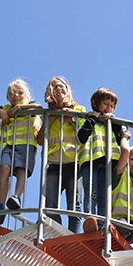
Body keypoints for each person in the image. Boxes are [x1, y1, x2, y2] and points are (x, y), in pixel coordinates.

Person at [0, 78, 42, 224]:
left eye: (20, 93)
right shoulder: (5, 107)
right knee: (4, 168)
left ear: (26, 95)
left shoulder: (29, 105)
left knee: (21, 170)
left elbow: (38, 107)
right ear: (8, 96)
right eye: (12, 93)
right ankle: (0, 206)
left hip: (26, 144)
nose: (16, 96)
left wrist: (19, 109)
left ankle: (16, 197)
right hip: (8, 145)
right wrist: (0, 112)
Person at [84, 139, 133, 250]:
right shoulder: (120, 175)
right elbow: (125, 151)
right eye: (132, 159)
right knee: (123, 225)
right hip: (119, 223)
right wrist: (124, 137)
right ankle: (102, 234)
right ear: (127, 161)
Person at [36, 76, 86, 233]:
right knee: (49, 205)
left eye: (63, 86)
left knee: (74, 205)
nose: (60, 88)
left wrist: (70, 118)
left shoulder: (79, 110)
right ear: (51, 91)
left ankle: (74, 239)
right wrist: (51, 118)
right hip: (53, 163)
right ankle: (57, 234)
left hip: (73, 163)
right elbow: (39, 140)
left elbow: (83, 136)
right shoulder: (45, 114)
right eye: (56, 86)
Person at [77, 87, 130, 226]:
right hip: (89, 159)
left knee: (103, 196)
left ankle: (102, 225)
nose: (109, 108)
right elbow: (81, 137)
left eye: (112, 106)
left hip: (108, 162)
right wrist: (92, 119)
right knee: (90, 192)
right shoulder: (86, 119)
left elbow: (121, 140)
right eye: (106, 104)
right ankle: (90, 220)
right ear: (95, 103)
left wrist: (115, 123)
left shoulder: (114, 123)